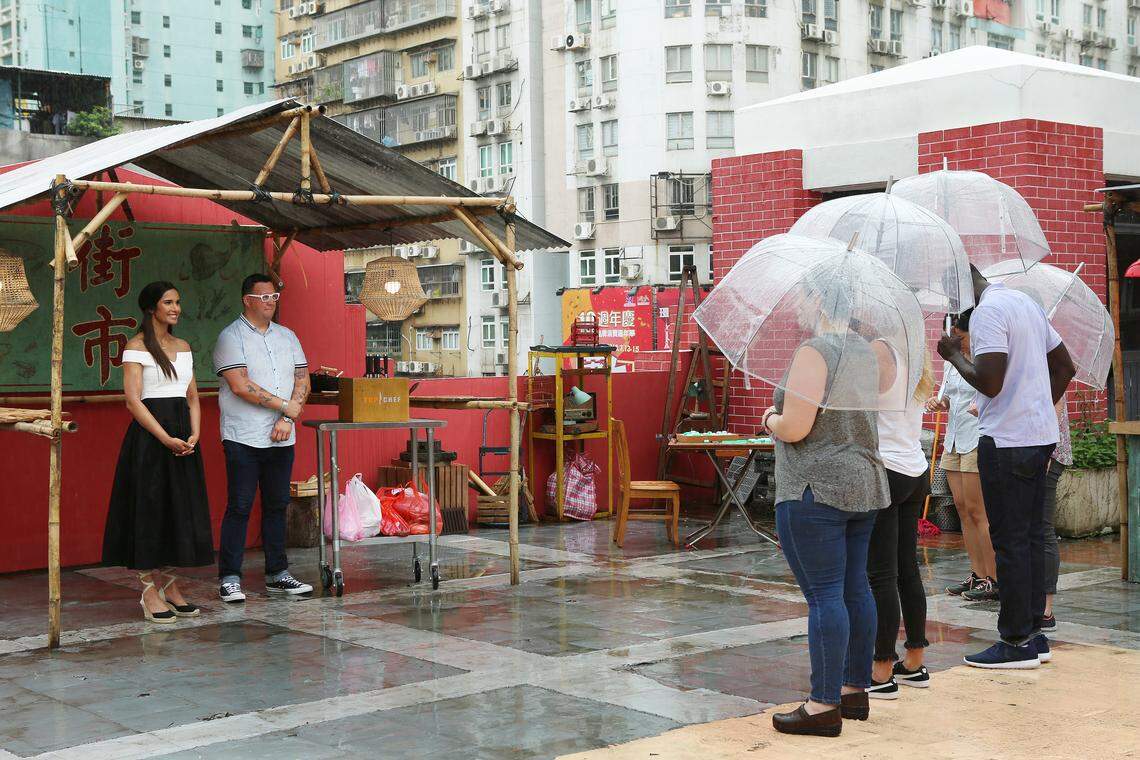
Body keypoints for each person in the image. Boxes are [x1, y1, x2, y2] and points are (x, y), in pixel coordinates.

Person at [761, 288, 890, 737]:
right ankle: (855, 691)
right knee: (857, 589)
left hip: (816, 487)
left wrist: (769, 420)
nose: (796, 304)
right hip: (864, 483)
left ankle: (822, 705)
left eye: (802, 296)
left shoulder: (815, 351)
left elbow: (796, 426)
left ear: (819, 298)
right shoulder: (868, 352)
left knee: (824, 596)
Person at [937, 264, 1075, 669]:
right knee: (1031, 537)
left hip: (1007, 442)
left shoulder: (988, 313)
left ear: (962, 290)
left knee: (1010, 541)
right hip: (1037, 436)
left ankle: (1014, 641)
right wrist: (1034, 408)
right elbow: (1065, 367)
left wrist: (954, 356)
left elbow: (989, 381)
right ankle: (1034, 634)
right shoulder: (1025, 303)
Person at [102, 281, 214, 623]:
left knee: (178, 510)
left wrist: (195, 432)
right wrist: (165, 438)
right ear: (152, 307)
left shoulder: (183, 346)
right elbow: (133, 400)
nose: (176, 308)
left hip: (183, 438)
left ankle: (171, 585)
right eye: (168, 302)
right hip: (151, 441)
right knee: (150, 510)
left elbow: (193, 396)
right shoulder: (136, 347)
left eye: (178, 302)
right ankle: (149, 588)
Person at [214, 274, 313, 602]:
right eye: (264, 297)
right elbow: (240, 385)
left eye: (274, 296)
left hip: (282, 436)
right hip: (243, 435)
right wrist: (286, 406)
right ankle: (229, 577)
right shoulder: (231, 337)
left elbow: (303, 379)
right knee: (240, 506)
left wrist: (287, 417)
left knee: (277, 505)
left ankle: (277, 573)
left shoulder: (288, 336)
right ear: (247, 300)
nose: (271, 302)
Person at [865, 353, 934, 698]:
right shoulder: (916, 361)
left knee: (881, 575)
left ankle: (880, 672)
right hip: (915, 469)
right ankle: (914, 662)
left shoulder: (879, 358)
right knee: (907, 571)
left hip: (886, 471)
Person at [926, 310, 999, 602]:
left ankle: (994, 578)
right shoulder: (952, 361)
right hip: (954, 440)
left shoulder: (985, 358)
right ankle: (977, 573)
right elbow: (949, 396)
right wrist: (939, 402)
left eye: (961, 335)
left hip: (976, 438)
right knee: (962, 509)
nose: (957, 339)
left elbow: (993, 392)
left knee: (978, 510)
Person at [1041, 397, 1072, 631]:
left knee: (1042, 530)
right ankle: (1032, 602)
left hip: (1047, 453)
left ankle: (1045, 610)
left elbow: (1057, 405)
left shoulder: (1050, 361)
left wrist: (1047, 449)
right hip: (1026, 450)